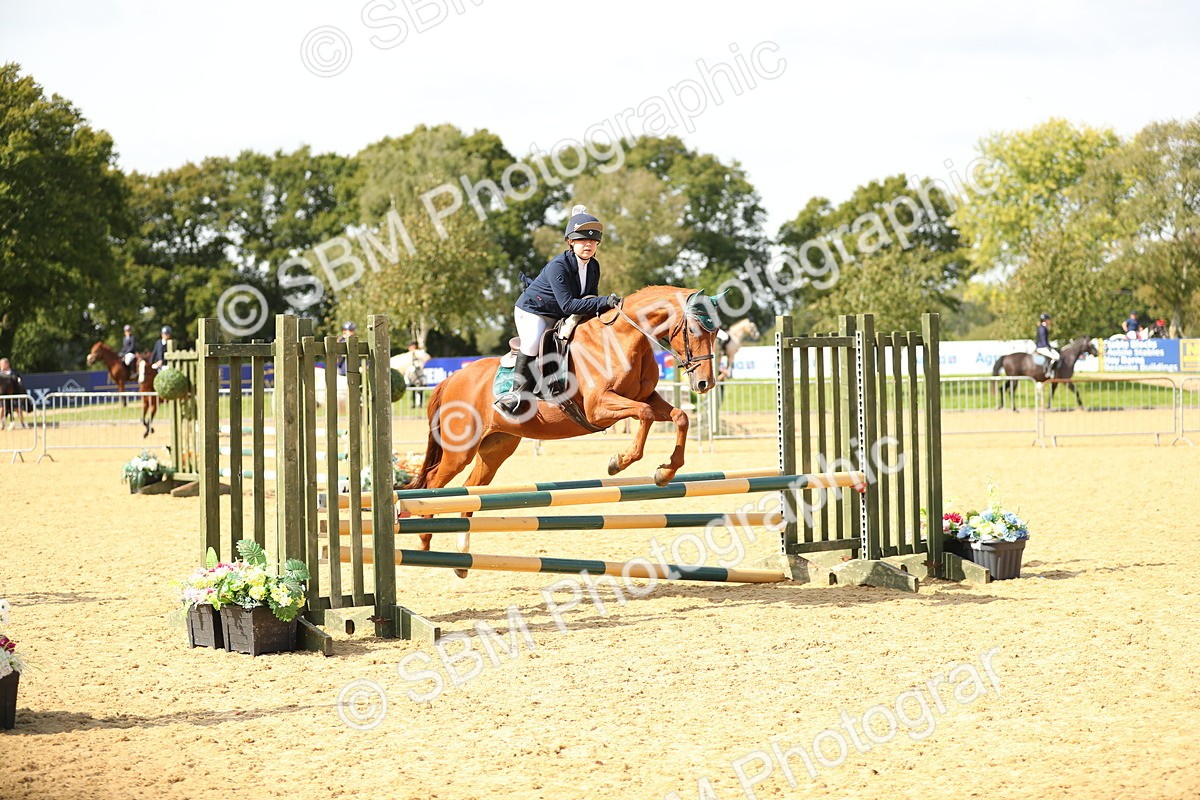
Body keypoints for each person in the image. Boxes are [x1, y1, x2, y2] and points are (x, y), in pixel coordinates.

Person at [494, 204, 620, 417]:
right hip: (533, 310)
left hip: (559, 314)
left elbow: (589, 299)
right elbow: (569, 305)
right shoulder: (558, 266)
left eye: (592, 240)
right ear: (570, 242)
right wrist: (604, 301)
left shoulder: (593, 267)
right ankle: (515, 394)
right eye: (581, 240)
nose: (587, 244)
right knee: (534, 341)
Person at [396, 340, 430, 409]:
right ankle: (414, 404)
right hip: (411, 376)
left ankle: (420, 404)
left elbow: (428, 357)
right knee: (413, 389)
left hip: (419, 374)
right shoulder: (408, 355)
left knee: (420, 389)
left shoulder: (419, 353)